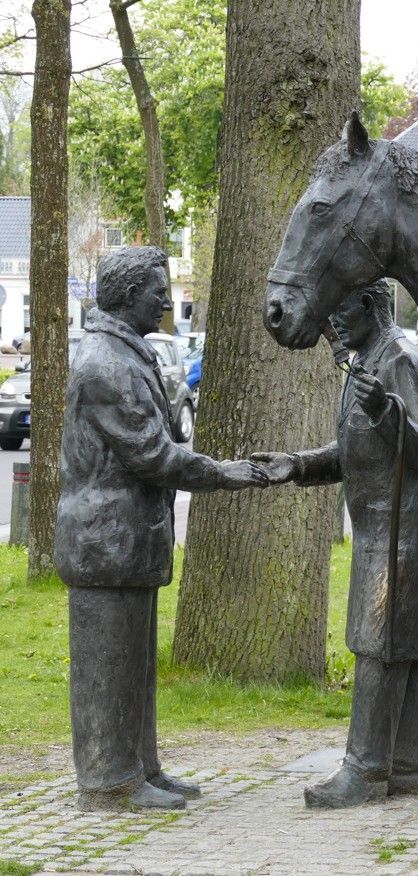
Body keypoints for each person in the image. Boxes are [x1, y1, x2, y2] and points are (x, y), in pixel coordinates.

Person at [56, 246, 268, 812]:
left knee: (134, 665)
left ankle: (140, 767)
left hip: (129, 539)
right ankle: (107, 781)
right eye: (157, 290)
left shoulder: (130, 353)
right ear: (127, 295)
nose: (166, 302)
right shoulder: (106, 364)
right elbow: (154, 455)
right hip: (105, 541)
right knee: (107, 666)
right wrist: (227, 474)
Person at [254, 281, 418, 809]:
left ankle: (365, 770)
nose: (333, 321)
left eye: (341, 309)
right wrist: (296, 465)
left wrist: (387, 412)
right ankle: (406, 765)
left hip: (406, 522)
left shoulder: (402, 361)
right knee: (399, 642)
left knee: (379, 639)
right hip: (384, 520)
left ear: (369, 305)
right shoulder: (367, 360)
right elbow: (353, 451)